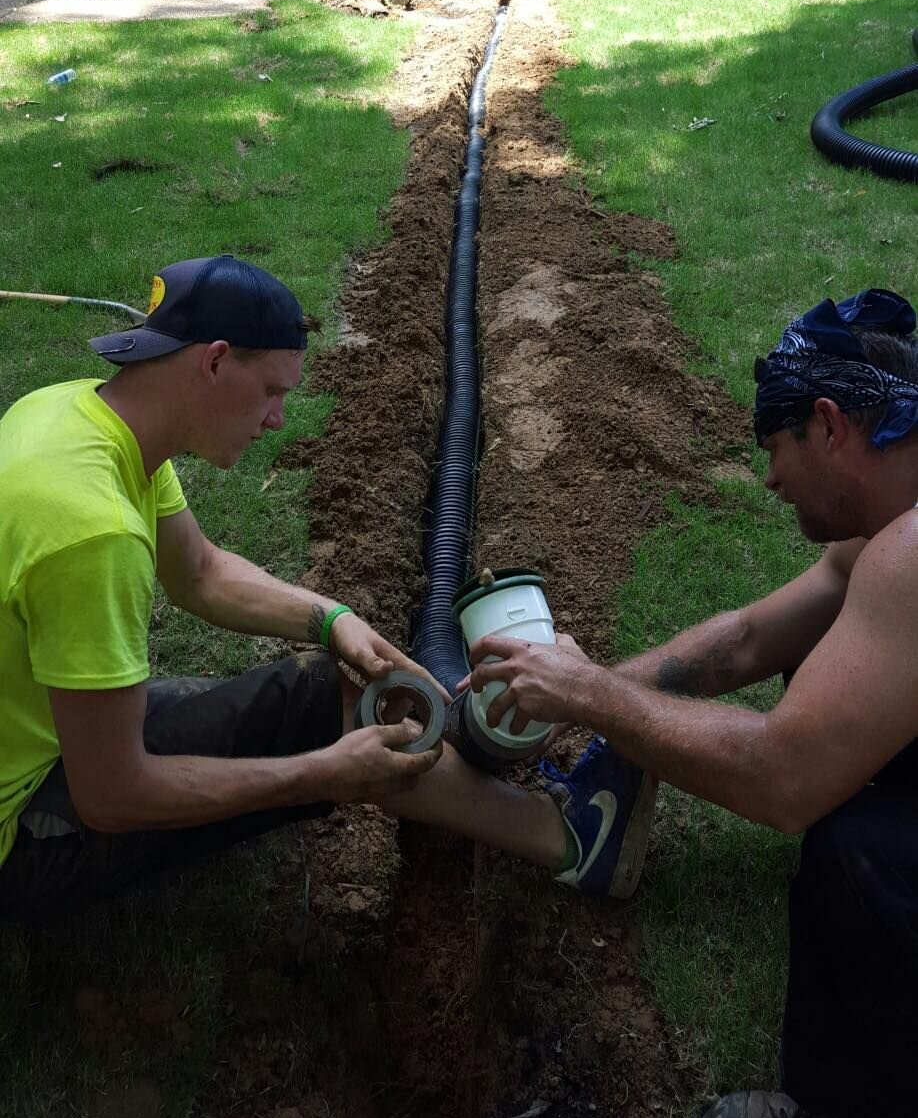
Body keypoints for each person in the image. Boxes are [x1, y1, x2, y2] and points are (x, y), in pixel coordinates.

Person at [0, 254, 655, 927]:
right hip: (18, 840)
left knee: (312, 691)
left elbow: (199, 572)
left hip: (28, 733)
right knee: (319, 708)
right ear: (216, 361)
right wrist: (321, 774)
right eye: (272, 392)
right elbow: (113, 793)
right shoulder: (92, 534)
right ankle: (573, 841)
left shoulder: (78, 416)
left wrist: (333, 620)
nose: (280, 419)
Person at [463, 288, 918, 1118]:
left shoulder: (910, 559)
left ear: (829, 425)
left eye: (775, 448)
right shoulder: (886, 528)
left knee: (858, 848)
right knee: (833, 675)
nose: (769, 479)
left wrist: (595, 698)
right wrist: (568, 691)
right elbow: (747, 638)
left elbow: (783, 781)